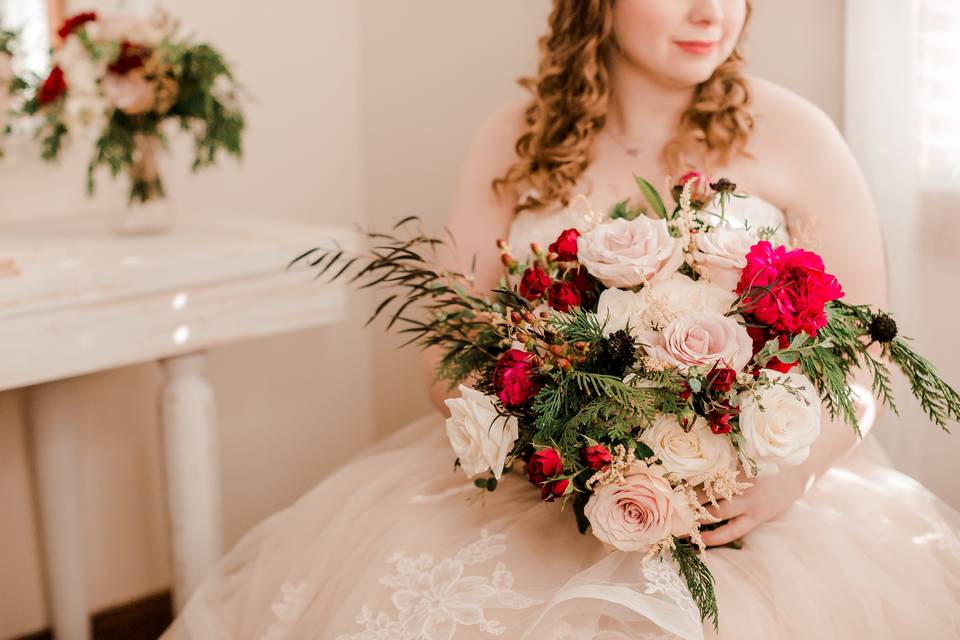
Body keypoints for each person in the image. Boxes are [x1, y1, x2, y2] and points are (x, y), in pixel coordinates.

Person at [162, 1, 960, 638]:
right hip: (545, 482)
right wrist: (559, 432)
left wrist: (794, 473)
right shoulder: (513, 136)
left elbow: (867, 354)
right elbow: (448, 350)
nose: (710, 12)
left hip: (752, 494)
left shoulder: (796, 133)